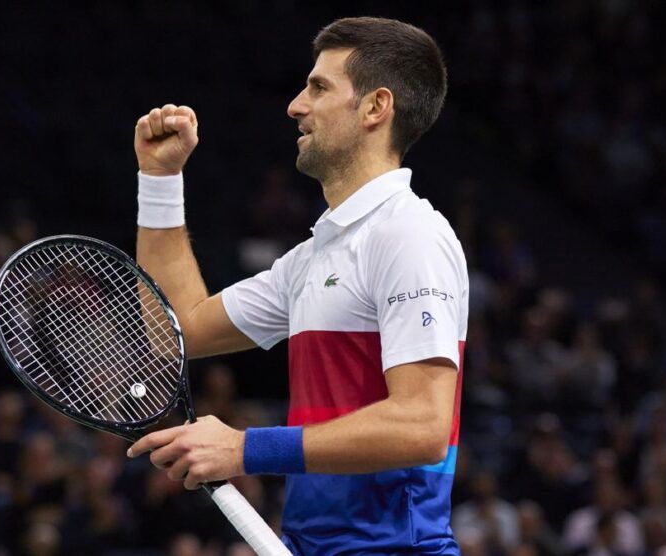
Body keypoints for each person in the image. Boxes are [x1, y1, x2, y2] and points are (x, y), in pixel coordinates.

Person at [127, 17, 467, 554]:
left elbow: (423, 426)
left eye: (319, 88)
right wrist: (160, 180)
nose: (295, 106)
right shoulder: (313, 258)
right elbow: (178, 330)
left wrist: (244, 449)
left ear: (375, 108)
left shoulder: (408, 235)